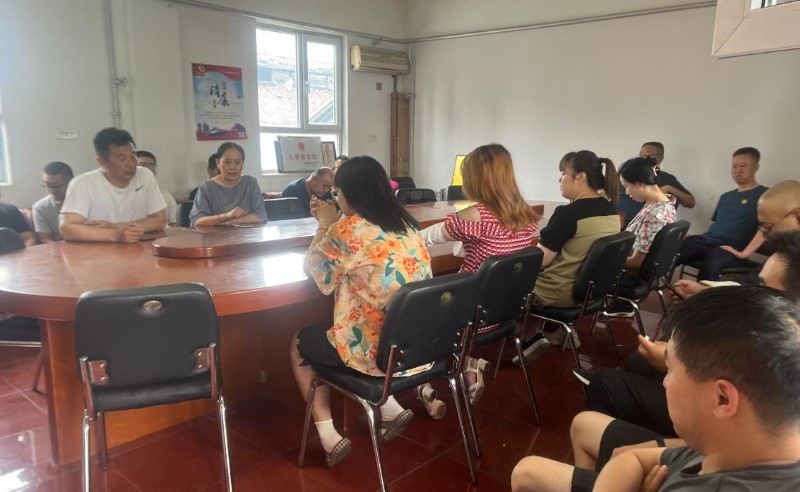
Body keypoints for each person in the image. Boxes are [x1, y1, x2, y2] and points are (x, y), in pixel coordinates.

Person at [511, 286, 800, 492]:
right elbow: (632, 458)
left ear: (722, 398)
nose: (664, 381)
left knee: (528, 472)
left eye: (670, 369)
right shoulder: (732, 446)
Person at [288, 156, 432, 467]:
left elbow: (314, 270)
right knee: (362, 325)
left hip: (376, 353)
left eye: (336, 193)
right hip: (416, 348)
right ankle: (388, 406)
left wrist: (325, 223)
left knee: (300, 343)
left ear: (349, 194)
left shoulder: (349, 230)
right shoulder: (407, 224)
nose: (335, 198)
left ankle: (328, 436)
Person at [419, 143, 540, 414]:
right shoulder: (525, 214)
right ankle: (469, 363)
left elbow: (427, 237)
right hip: (503, 310)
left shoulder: (473, 216)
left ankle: (424, 382)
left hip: (469, 313)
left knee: (416, 308)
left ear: (476, 178)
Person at [517, 150, 620, 354]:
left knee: (500, 280)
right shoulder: (611, 210)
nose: (560, 180)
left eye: (563, 174)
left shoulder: (570, 213)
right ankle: (560, 331)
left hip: (554, 293)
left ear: (580, 177)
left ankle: (525, 338)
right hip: (590, 291)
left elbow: (540, 261)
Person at [674, 179, 800, 299]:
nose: (765, 235)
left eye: (768, 227)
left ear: (798, 216)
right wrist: (704, 291)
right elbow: (748, 285)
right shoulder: (785, 254)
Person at [675, 147, 768, 281]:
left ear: (756, 167)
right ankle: (652, 286)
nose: (738, 170)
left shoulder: (765, 196)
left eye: (743, 166)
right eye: (734, 166)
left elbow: (767, 228)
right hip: (708, 241)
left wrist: (744, 254)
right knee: (670, 250)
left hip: (731, 247)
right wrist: (697, 238)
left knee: (711, 264)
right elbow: (717, 225)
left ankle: (703, 294)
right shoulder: (726, 196)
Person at [59, 128, 167, 243]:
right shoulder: (83, 183)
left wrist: (116, 226)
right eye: (122, 158)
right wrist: (115, 235)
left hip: (137, 247)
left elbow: (160, 220)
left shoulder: (145, 175)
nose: (131, 163)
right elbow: (66, 229)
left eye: (133, 156)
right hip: (98, 250)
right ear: (101, 161)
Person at [606, 157, 676, 316]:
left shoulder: (654, 214)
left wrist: (605, 260)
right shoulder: (666, 204)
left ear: (639, 183)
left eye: (626, 186)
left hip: (630, 278)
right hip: (648, 273)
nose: (626, 192)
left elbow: (636, 263)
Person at [189, 142, 267, 227]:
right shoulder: (207, 187)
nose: (232, 167)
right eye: (227, 162)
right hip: (215, 235)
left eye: (237, 163)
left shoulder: (250, 183)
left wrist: (230, 222)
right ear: (218, 163)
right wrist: (227, 216)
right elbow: (198, 221)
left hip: (247, 234)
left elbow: (260, 217)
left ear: (242, 164)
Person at [616, 142, 694, 226]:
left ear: (661, 158)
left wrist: (669, 188)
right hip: (617, 221)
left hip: (637, 226)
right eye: (641, 155)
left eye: (648, 155)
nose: (643, 158)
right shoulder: (626, 174)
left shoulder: (666, 179)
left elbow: (690, 202)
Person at [32, 161, 73, 242]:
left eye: (55, 185)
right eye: (47, 185)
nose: (51, 190)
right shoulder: (40, 208)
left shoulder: (87, 200)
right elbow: (46, 239)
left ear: (70, 182)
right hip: (58, 248)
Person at [135, 151, 178, 226]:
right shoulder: (126, 192)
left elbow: (174, 223)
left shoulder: (165, 195)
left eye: (152, 165)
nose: (149, 169)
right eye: (143, 165)